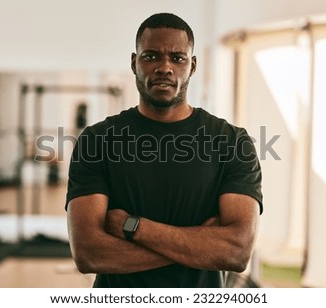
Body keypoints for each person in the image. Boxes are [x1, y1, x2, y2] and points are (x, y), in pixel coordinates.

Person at [66, 12, 263, 288]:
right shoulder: (97, 141)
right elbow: (88, 253)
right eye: (151, 56)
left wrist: (133, 227)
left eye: (177, 58)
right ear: (134, 63)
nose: (164, 67)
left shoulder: (232, 142)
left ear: (192, 66)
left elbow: (236, 251)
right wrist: (199, 246)